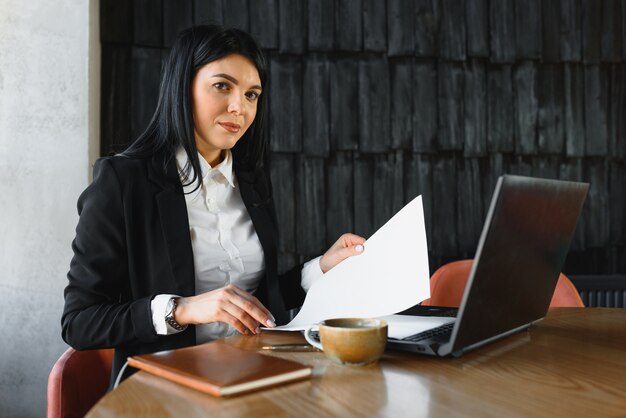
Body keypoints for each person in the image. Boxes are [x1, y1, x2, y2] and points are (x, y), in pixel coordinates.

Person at [61, 25, 365, 386]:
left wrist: (322, 267)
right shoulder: (123, 182)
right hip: (165, 389)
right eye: (222, 86)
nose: (239, 107)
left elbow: (257, 300)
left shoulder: (252, 181)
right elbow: (79, 322)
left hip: (253, 376)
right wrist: (183, 309)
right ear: (182, 87)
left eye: (252, 94)